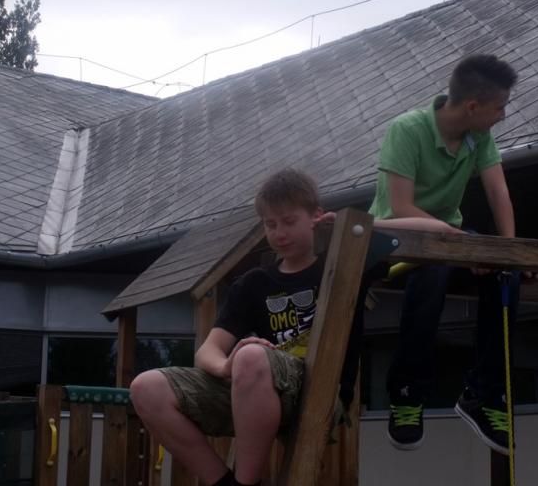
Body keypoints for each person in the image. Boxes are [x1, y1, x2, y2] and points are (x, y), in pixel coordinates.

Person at [131, 168, 453, 486]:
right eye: (270, 224)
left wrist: (356, 224)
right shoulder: (253, 284)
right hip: (258, 391)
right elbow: (208, 351)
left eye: (289, 221)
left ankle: (245, 482)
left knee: (251, 356)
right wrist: (225, 366)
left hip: (320, 392)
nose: (279, 233)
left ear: (316, 216)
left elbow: (440, 229)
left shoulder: (346, 259)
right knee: (146, 387)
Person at [368, 53, 523, 455]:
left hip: (449, 239)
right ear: (472, 106)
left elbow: (498, 192)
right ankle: (407, 391)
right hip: (394, 237)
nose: (503, 115)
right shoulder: (407, 129)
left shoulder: (478, 136)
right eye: (499, 107)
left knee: (506, 274)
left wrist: (508, 254)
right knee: (433, 267)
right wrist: (459, 244)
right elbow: (400, 208)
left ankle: (485, 394)